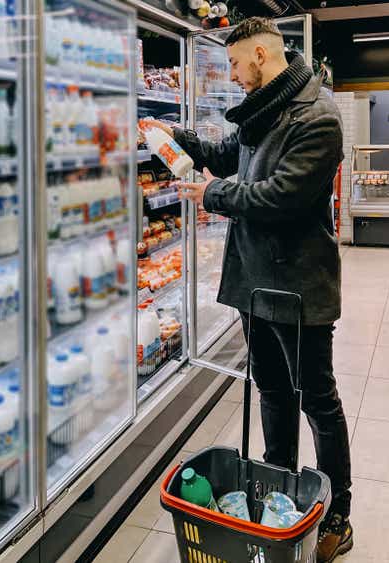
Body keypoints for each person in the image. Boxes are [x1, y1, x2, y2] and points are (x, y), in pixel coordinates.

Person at [143, 17, 352, 563]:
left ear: (261, 54)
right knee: (273, 392)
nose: (231, 74)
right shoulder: (264, 108)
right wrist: (174, 137)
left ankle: (338, 515)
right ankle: (278, 487)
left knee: (318, 401)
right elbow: (225, 151)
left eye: (235, 63)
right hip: (255, 280)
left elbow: (281, 197)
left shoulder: (317, 115)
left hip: (299, 285)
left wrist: (212, 194)